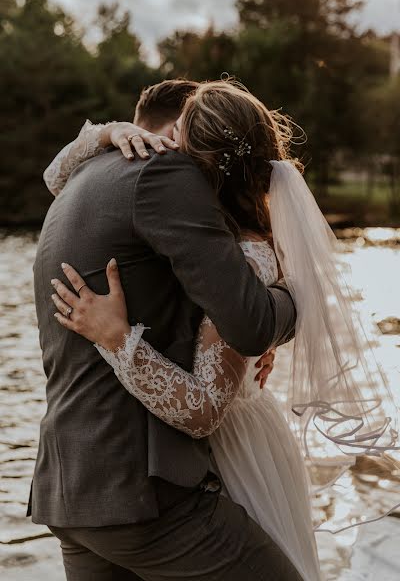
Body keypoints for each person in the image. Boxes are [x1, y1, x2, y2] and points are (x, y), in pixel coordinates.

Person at [31, 78, 302, 581]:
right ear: (178, 128)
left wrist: (105, 133)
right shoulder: (166, 174)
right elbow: (250, 324)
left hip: (68, 490)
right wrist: (294, 301)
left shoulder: (83, 178)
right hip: (144, 494)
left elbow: (214, 312)